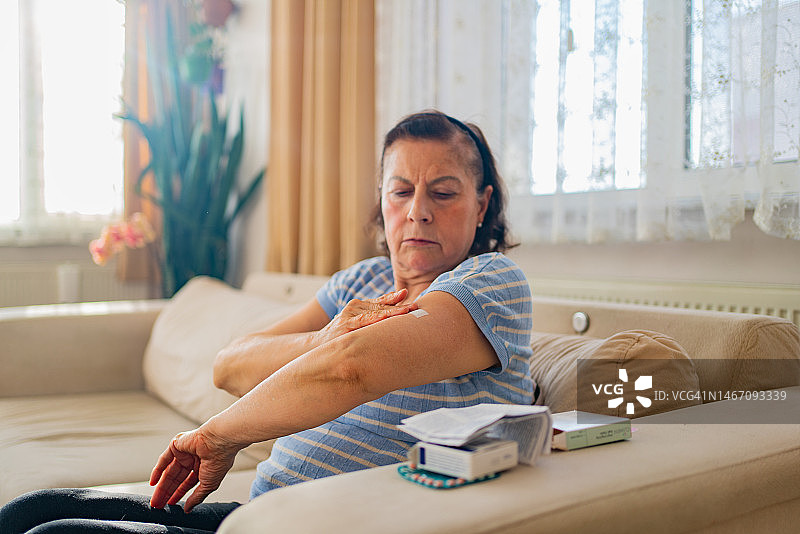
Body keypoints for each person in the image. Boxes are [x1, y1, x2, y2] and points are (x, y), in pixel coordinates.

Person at [0, 110, 535, 533]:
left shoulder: (490, 283)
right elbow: (229, 364)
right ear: (382, 200)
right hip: (260, 512)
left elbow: (351, 368)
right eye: (401, 191)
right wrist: (325, 336)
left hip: (327, 525)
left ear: (483, 203)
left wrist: (218, 436)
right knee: (30, 511)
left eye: (443, 193)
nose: (418, 211)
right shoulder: (358, 283)